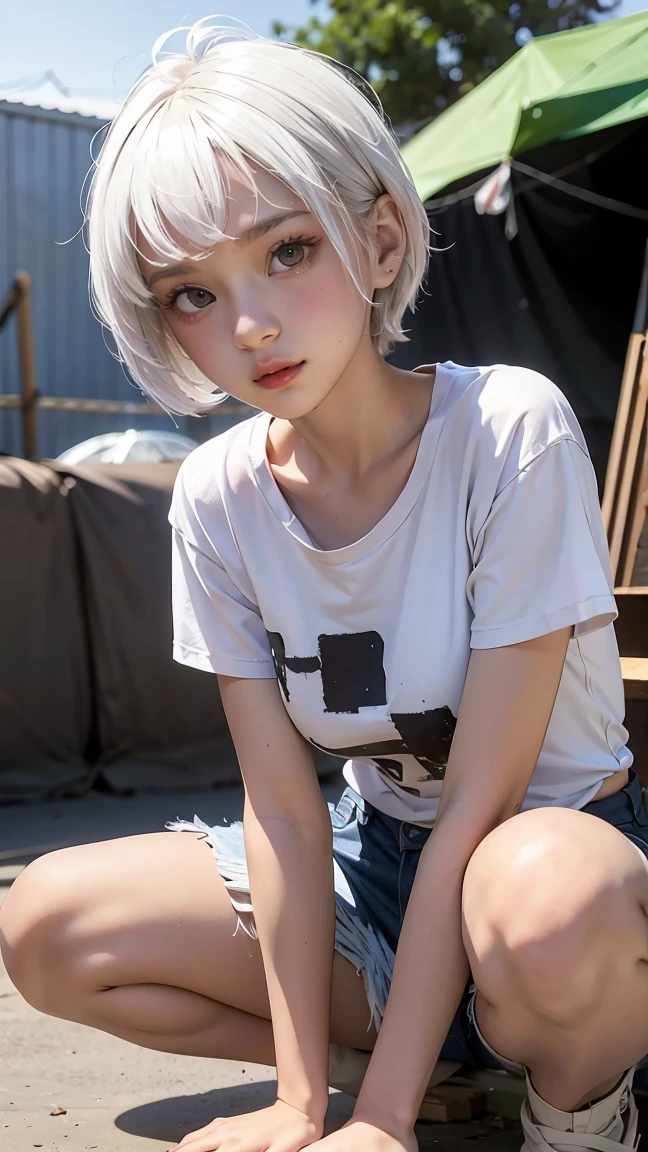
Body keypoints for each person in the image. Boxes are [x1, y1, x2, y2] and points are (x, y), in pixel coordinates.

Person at [1, 17, 647, 1152]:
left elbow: (483, 810)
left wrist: (381, 1124)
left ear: (381, 239)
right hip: (377, 866)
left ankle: (579, 1103)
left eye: (287, 249)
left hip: (551, 860)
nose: (248, 324)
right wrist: (305, 1104)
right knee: (50, 926)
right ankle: (435, 1058)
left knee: (546, 897)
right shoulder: (217, 497)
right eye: (190, 292)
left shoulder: (507, 431)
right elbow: (286, 815)